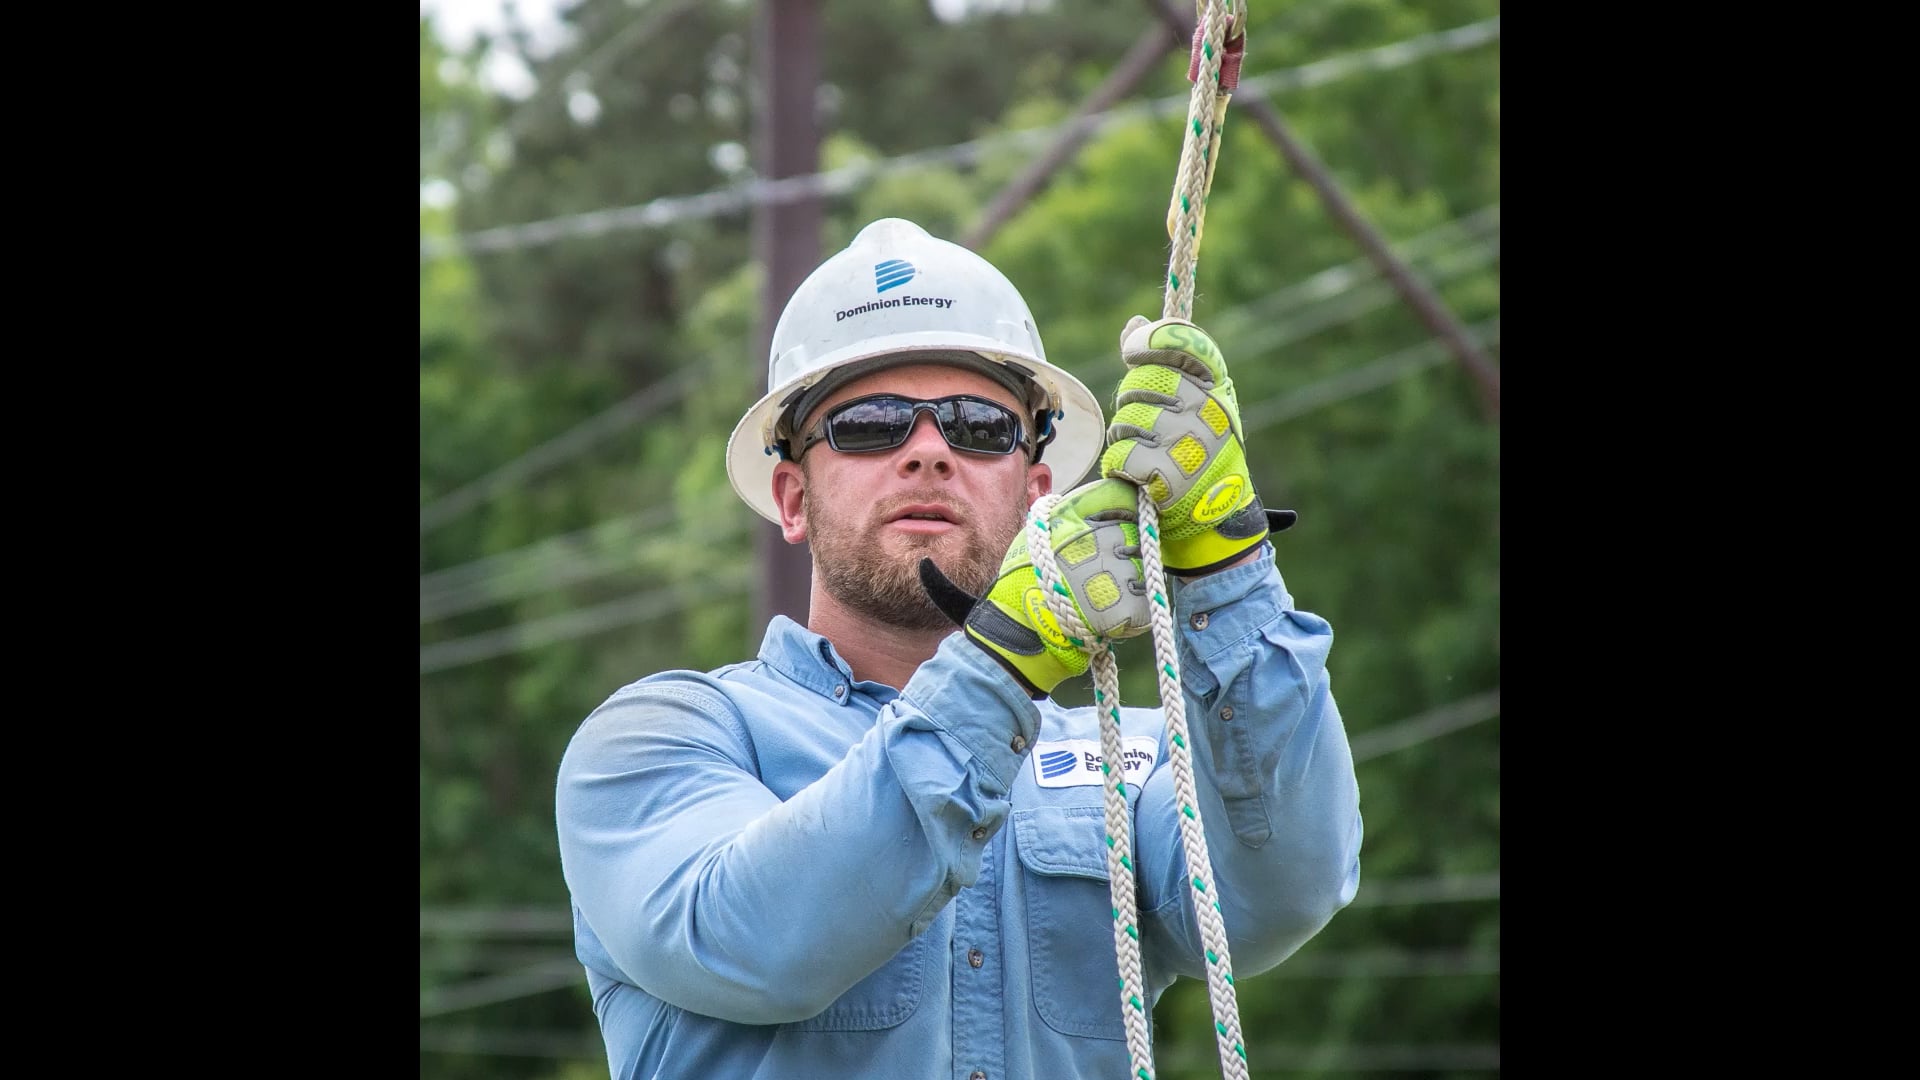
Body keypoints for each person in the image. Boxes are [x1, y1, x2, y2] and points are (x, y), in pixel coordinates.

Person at [555, 217, 1363, 1079]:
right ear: (792, 498)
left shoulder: (1132, 754)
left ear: (1037, 494)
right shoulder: (660, 739)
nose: (930, 452)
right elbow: (747, 942)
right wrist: (1003, 663)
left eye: (979, 425)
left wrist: (1228, 568)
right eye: (870, 425)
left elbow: (1280, 898)